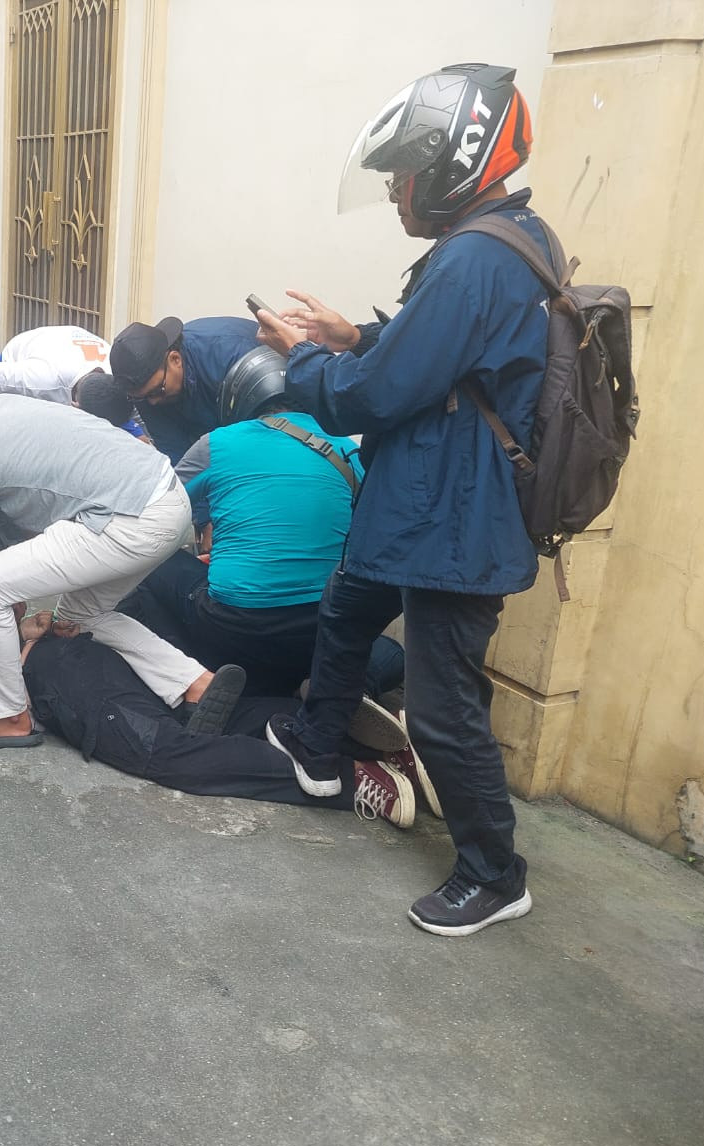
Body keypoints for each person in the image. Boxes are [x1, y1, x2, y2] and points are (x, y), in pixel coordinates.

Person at [253, 62, 544, 937]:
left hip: (454, 519)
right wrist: (358, 334)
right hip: (423, 502)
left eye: (403, 172)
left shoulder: (473, 260)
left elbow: (372, 398)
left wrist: (304, 359)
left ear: (454, 166)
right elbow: (445, 354)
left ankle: (495, 874)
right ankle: (318, 750)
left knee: (444, 706)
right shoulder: (500, 241)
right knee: (347, 610)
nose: (393, 190)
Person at [0, 398, 245, 750]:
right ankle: (195, 683)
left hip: (131, 517)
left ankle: (8, 719)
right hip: (168, 497)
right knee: (81, 614)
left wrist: (10, 626)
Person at [120, 345, 379, 698]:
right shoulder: (347, 447)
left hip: (234, 625)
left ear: (237, 398)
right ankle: (323, 687)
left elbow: (157, 512)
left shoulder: (217, 443)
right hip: (324, 626)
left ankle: (195, 674)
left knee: (154, 560)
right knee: (386, 654)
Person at [23, 633, 420, 827]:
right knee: (201, 726)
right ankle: (389, 748)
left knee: (165, 751)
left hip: (48, 666)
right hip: (69, 654)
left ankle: (352, 774)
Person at [107, 315, 262, 463]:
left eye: (157, 391)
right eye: (142, 397)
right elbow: (175, 452)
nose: (153, 402)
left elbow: (257, 437)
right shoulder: (146, 391)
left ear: (175, 359)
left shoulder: (230, 354)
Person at [0, 323, 133, 420]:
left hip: (66, 343)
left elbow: (136, 433)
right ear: (75, 405)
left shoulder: (119, 376)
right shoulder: (40, 378)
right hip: (23, 351)